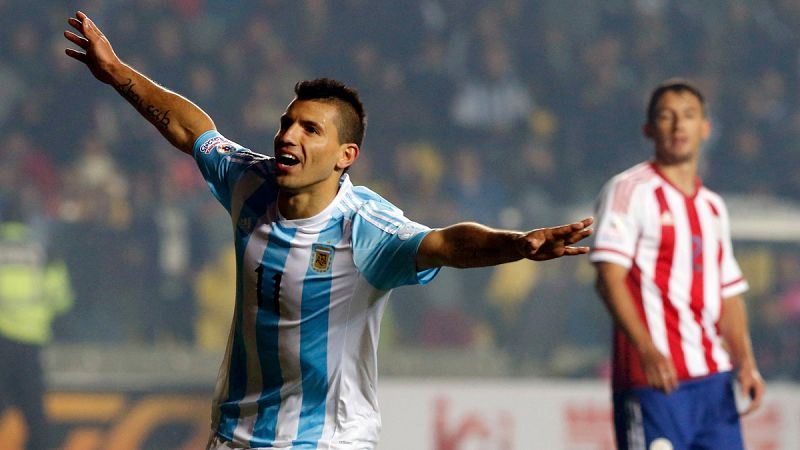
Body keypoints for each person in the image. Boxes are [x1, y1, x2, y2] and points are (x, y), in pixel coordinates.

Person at [64, 11, 593, 450]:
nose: (287, 135)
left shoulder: (367, 229)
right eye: (286, 123)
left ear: (346, 156)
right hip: (235, 437)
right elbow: (191, 129)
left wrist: (517, 245)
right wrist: (118, 74)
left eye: (309, 129)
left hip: (330, 442)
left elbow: (446, 244)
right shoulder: (250, 182)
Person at [590, 79, 765, 450]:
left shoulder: (713, 207)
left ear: (705, 128)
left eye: (688, 116)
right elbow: (608, 278)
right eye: (666, 117)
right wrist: (647, 349)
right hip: (655, 381)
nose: (678, 125)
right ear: (649, 129)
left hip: (714, 381)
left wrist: (746, 362)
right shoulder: (629, 191)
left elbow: (728, 293)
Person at [0, 199, 74, 450]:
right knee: (36, 420)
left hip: (1, 340)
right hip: (30, 343)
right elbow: (62, 299)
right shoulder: (43, 249)